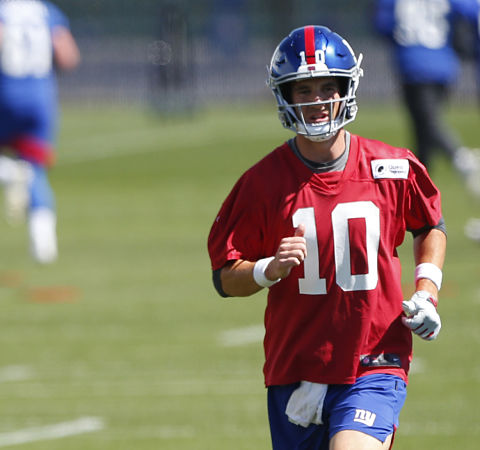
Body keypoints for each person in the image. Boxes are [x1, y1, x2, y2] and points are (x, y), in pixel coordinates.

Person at [206, 26, 446, 449]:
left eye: (326, 89)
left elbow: (429, 225)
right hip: (296, 369)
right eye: (304, 91)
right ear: (285, 96)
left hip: (374, 362)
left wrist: (427, 292)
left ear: (345, 90)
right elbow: (225, 276)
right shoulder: (262, 183)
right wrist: (267, 269)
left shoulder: (390, 166)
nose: (317, 102)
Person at [0, 0, 80, 264]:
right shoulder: (47, 11)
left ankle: (8, 174)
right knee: (35, 168)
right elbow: (68, 56)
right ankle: (44, 244)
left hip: (5, 96)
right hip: (41, 101)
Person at [374, 0, 480, 198]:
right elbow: (473, 13)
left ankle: (460, 157)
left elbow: (382, 25)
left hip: (412, 62)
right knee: (422, 132)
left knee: (426, 122)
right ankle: (418, 191)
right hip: (444, 65)